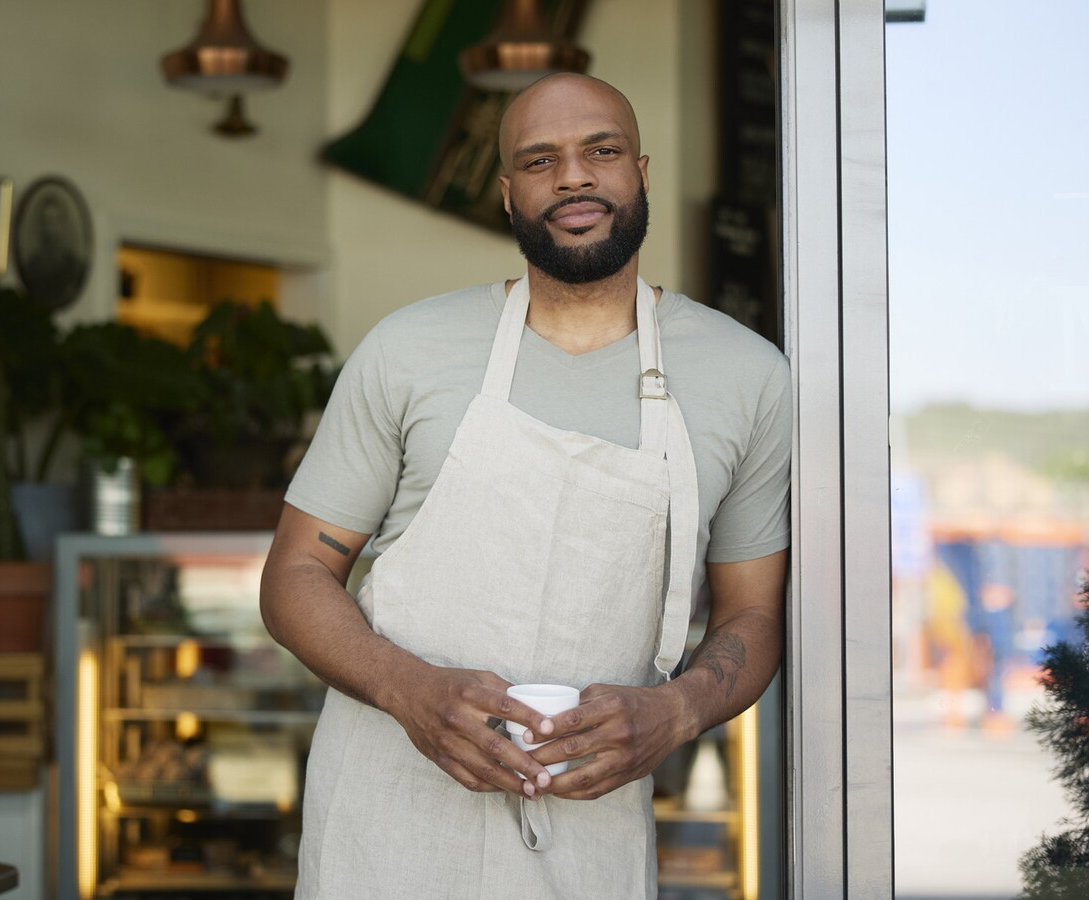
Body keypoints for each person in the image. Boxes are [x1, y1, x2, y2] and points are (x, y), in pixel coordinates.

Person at [260, 73, 791, 898]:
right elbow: (294, 576)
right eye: (540, 161)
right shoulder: (407, 351)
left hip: (590, 840)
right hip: (384, 832)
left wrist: (675, 712)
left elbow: (754, 613)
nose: (573, 176)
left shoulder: (747, 377)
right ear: (508, 196)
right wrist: (409, 692)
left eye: (600, 152)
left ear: (642, 172)